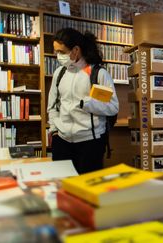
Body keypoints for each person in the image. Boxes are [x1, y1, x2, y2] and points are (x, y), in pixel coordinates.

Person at [47, 28, 119, 174]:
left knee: (87, 191)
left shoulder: (98, 74)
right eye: (56, 52)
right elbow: (52, 106)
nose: (58, 56)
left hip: (90, 143)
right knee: (63, 189)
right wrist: (54, 130)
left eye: (62, 52)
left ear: (76, 50)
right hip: (62, 141)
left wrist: (87, 104)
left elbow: (113, 107)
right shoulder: (59, 73)